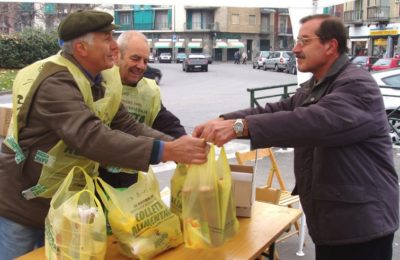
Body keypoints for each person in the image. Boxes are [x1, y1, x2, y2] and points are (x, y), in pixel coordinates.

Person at [0, 10, 207, 259]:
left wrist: (175, 144)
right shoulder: (55, 82)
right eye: (107, 38)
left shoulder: (103, 78)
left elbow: (124, 124)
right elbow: (91, 137)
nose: (114, 46)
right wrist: (165, 152)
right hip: (24, 205)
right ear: (81, 48)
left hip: (64, 203)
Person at [193, 14, 399, 260]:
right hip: (334, 222)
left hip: (362, 225)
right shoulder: (317, 84)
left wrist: (239, 128)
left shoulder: (357, 85)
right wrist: (224, 120)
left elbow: (311, 122)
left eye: (304, 40)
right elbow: (278, 110)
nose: (295, 48)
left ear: (330, 46)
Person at [100, 30, 186, 188]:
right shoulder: (100, 81)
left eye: (145, 61)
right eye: (135, 58)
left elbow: (165, 122)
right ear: (117, 55)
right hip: (94, 176)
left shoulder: (148, 90)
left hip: (129, 177)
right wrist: (164, 150)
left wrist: (184, 144)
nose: (141, 66)